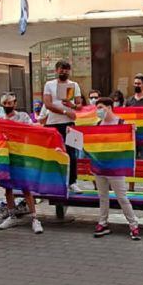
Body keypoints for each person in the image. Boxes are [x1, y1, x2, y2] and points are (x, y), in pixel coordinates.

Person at [90, 97, 142, 240]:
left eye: (100, 107)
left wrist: (132, 130)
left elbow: (132, 140)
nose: (98, 110)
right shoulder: (98, 124)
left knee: (122, 197)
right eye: (97, 108)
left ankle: (134, 225)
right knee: (103, 197)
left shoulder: (122, 123)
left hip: (116, 168)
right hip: (100, 167)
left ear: (109, 107)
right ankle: (103, 223)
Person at [0, 93, 44, 234]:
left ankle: (35, 218)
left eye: (9, 103)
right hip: (5, 157)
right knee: (8, 188)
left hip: (21, 156)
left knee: (26, 188)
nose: (7, 106)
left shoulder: (23, 117)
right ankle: (12, 216)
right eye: (4, 103)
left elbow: (32, 131)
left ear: (15, 103)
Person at [42, 61, 82, 192]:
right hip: (52, 124)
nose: (64, 72)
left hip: (69, 124)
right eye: (61, 69)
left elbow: (79, 105)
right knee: (53, 153)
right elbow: (47, 104)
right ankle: (53, 181)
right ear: (56, 70)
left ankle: (72, 181)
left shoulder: (74, 85)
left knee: (72, 152)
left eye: (66, 70)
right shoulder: (49, 84)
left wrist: (72, 106)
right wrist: (65, 111)